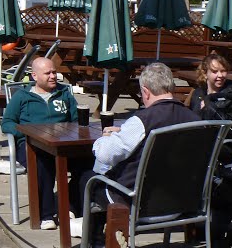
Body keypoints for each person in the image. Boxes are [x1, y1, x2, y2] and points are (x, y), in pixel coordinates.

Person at [73, 62, 199, 244]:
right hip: (183, 202)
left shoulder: (142, 120)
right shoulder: (195, 120)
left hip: (138, 203)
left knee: (89, 180)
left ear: (146, 92)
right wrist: (123, 132)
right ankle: (107, 237)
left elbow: (105, 154)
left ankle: (97, 241)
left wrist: (105, 138)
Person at [1, 56, 87, 230]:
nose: (53, 76)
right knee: (42, 163)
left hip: (62, 145)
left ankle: (71, 206)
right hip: (31, 146)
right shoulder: (22, 97)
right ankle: (45, 214)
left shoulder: (64, 94)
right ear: (35, 76)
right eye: (48, 73)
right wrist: (28, 133)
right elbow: (7, 123)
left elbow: (77, 120)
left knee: (89, 161)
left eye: (54, 72)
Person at [190, 52, 232, 142]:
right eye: (215, 72)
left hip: (225, 143)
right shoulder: (198, 93)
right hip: (202, 140)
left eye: (223, 71)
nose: (220, 75)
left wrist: (212, 110)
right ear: (205, 74)